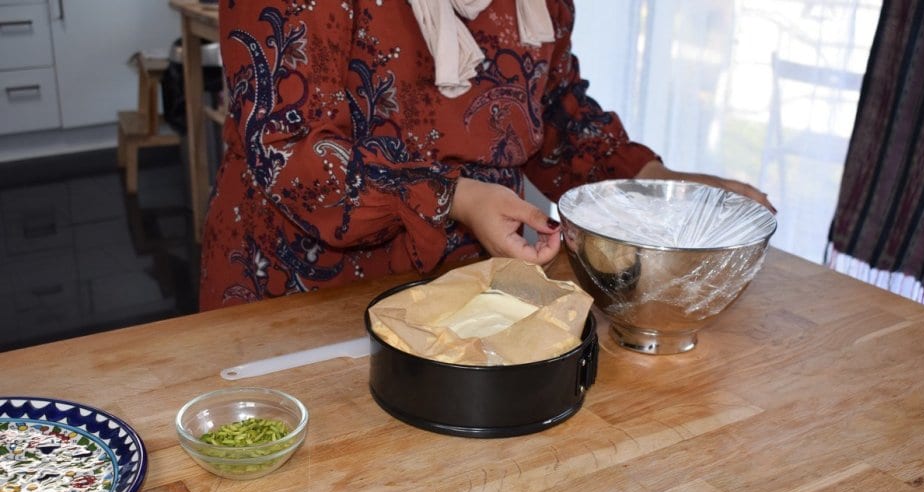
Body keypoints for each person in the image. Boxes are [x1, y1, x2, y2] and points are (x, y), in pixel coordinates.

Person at [199, 0, 772, 311]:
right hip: (302, 294)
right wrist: (453, 199)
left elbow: (551, 109)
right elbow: (288, 148)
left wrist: (656, 182)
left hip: (474, 286)